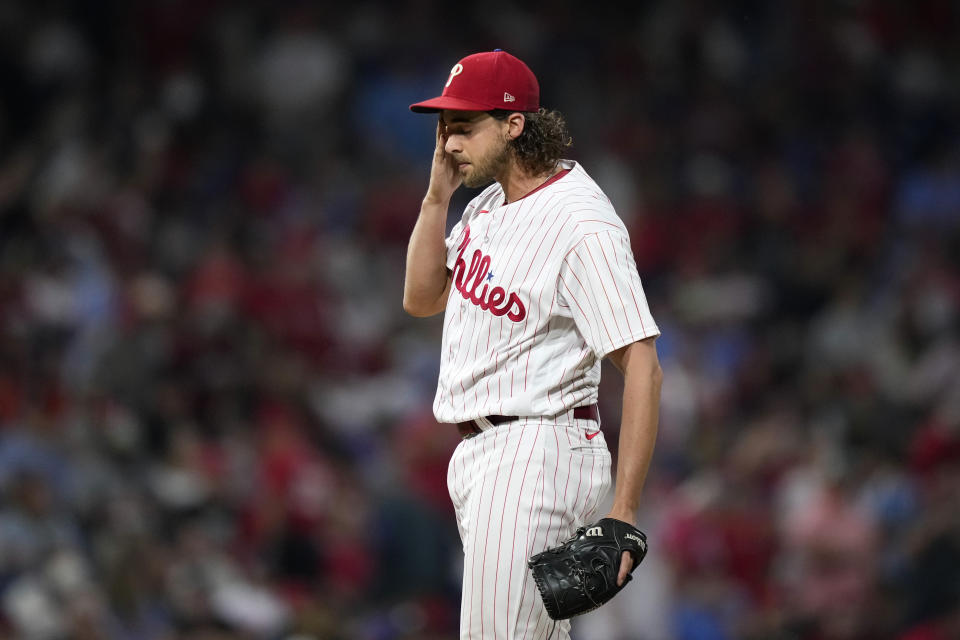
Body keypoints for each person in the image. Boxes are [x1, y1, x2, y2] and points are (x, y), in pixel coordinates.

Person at [403, 49, 662, 639]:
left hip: (535, 451)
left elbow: (643, 366)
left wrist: (624, 513)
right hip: (485, 456)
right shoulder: (489, 203)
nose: (448, 143)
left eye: (463, 127)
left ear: (514, 123)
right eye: (444, 127)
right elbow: (420, 298)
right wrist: (437, 198)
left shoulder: (581, 223)